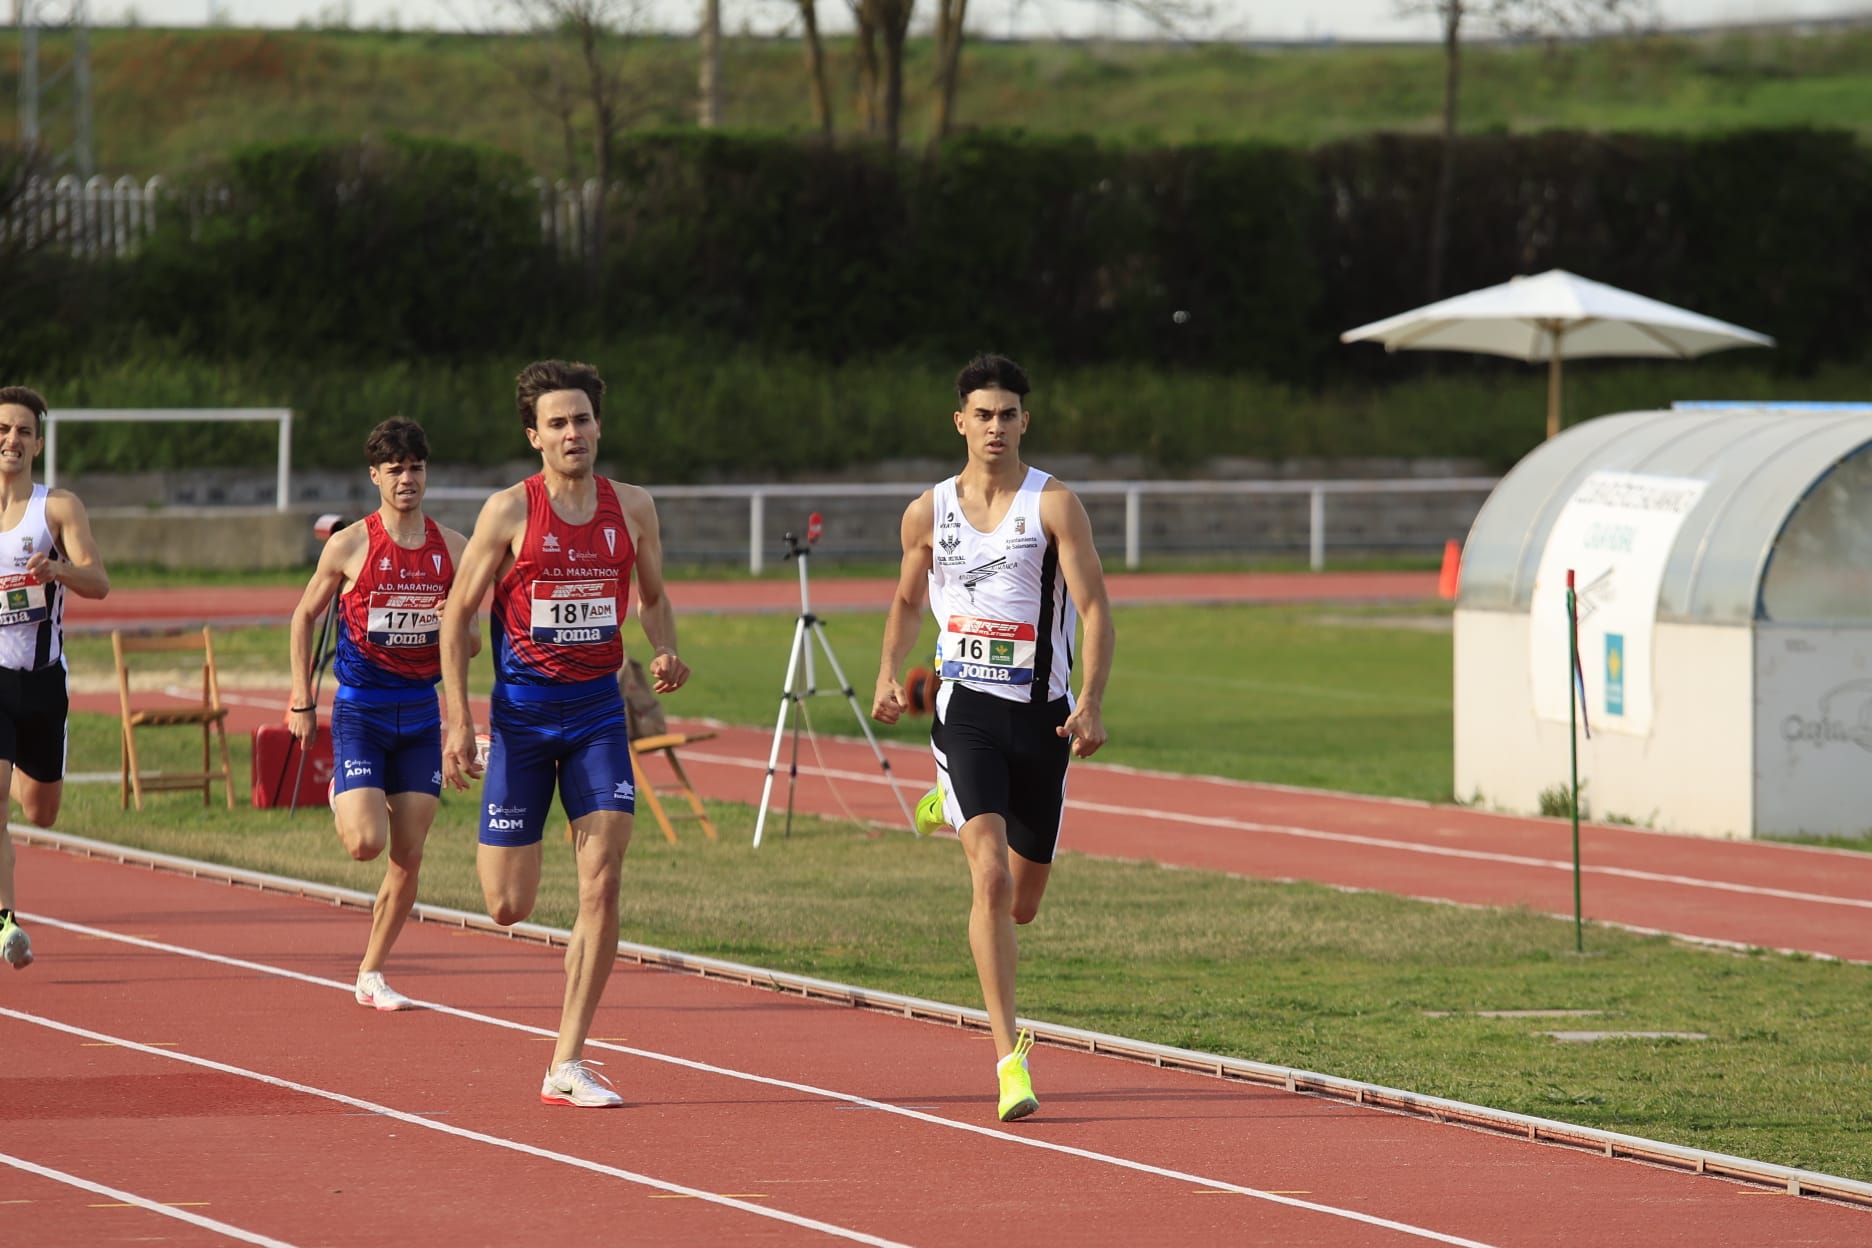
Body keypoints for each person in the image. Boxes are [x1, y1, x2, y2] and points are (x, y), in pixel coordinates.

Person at [438, 359, 689, 1109]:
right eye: (557, 423)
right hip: (519, 720)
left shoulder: (634, 507)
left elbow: (654, 597)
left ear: (599, 427)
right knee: (507, 906)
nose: (572, 432)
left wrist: (665, 645)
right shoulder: (508, 513)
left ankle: (567, 1060)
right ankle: (527, 839)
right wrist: (458, 721)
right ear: (534, 436)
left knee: (604, 876)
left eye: (582, 419)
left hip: (595, 716)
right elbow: (456, 617)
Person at [872, 353, 1114, 1122]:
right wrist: (888, 670)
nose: (996, 427)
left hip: (1042, 717)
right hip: (966, 708)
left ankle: (946, 805)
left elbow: (1098, 608)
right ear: (960, 422)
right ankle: (1010, 1059)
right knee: (990, 881)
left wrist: (1093, 702)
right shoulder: (927, 511)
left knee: (1023, 902)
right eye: (983, 414)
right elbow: (909, 599)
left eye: (1009, 415)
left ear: (1024, 423)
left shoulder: (1055, 506)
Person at [287, 417, 473, 1011]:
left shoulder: (456, 549)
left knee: (408, 854)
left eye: (416, 468)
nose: (407, 479)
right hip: (361, 712)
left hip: (420, 713)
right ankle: (350, 783)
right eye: (395, 470)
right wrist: (300, 698)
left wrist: (449, 625)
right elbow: (303, 617)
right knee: (366, 843)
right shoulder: (349, 546)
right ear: (375, 476)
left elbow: (470, 642)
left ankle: (372, 972)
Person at [0, 386, 111, 970]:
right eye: (3, 429)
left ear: (38, 443)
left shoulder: (57, 509)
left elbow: (100, 583)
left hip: (43, 681)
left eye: (22, 431)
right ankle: (6, 924)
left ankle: (18, 765)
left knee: (40, 811)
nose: (11, 440)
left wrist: (59, 570)